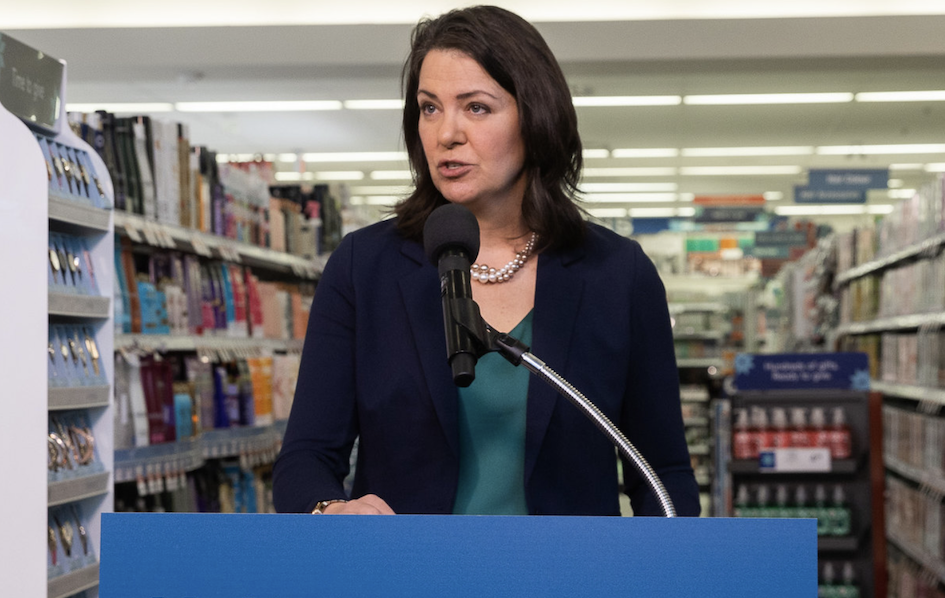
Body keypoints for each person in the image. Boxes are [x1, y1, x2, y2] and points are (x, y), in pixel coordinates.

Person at [273, 5, 699, 517]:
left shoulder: (618, 275)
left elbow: (662, 472)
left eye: (476, 107)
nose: (446, 133)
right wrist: (328, 511)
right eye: (430, 108)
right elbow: (305, 458)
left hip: (570, 581)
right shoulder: (365, 267)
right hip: (411, 577)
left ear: (534, 116)